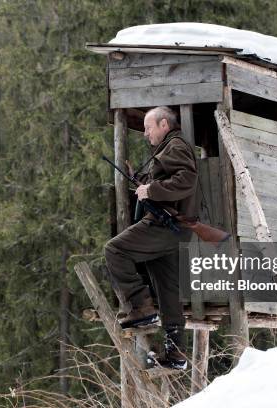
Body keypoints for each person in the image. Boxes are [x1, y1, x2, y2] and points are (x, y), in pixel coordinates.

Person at [104, 106, 199, 370]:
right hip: (175, 230)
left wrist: (152, 189)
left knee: (115, 250)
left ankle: (141, 308)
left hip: (162, 226)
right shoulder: (170, 149)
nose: (146, 134)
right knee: (168, 291)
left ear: (164, 124)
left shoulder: (175, 146)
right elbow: (173, 180)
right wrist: (143, 181)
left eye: (148, 128)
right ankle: (176, 353)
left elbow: (187, 180)